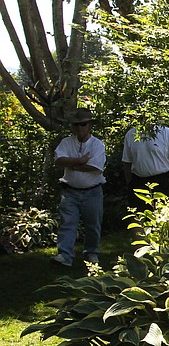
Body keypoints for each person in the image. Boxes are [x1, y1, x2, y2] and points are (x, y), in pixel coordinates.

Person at [53, 107, 105, 266]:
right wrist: (80, 161)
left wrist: (72, 164)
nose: (79, 128)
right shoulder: (66, 142)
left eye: (83, 124)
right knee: (67, 224)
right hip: (70, 191)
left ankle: (91, 253)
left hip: (93, 191)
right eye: (76, 125)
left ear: (90, 125)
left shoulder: (97, 145)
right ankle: (65, 256)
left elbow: (96, 167)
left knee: (93, 225)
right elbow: (58, 161)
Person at [122, 123, 169, 206]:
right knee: (139, 215)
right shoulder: (130, 134)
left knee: (163, 214)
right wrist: (130, 183)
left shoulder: (165, 132)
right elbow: (127, 162)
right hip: (138, 182)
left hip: (162, 181)